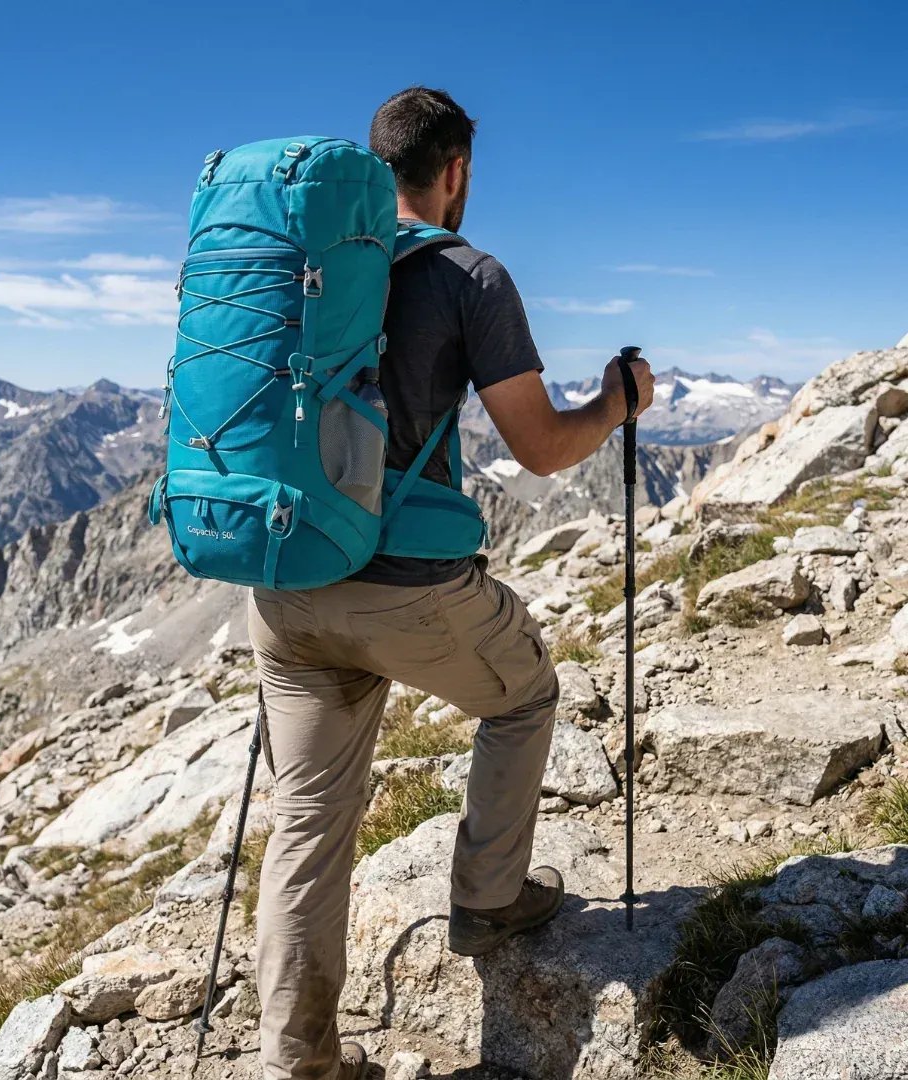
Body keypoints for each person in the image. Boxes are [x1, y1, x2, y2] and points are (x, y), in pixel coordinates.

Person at [247, 86, 656, 1080]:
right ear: (457, 171)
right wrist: (615, 401)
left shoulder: (299, 266)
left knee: (307, 819)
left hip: (286, 584)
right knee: (524, 697)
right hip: (406, 590)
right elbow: (542, 447)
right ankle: (486, 897)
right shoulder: (470, 273)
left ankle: (295, 1065)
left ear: (373, 166)